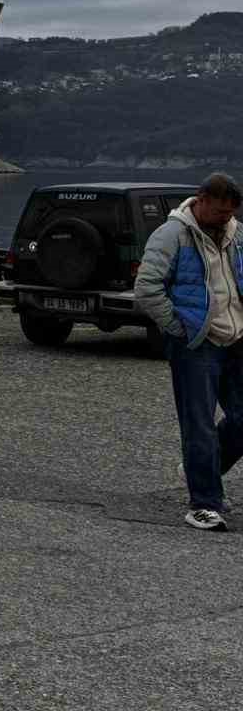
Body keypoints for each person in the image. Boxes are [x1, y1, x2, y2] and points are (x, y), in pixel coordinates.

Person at [135, 173, 243, 531]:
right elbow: (147, 288)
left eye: (230, 213)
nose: (224, 218)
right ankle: (204, 504)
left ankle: (201, 469)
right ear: (200, 200)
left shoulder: (236, 233)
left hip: (236, 340)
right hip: (196, 344)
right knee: (199, 424)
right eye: (219, 212)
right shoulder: (171, 236)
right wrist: (180, 329)